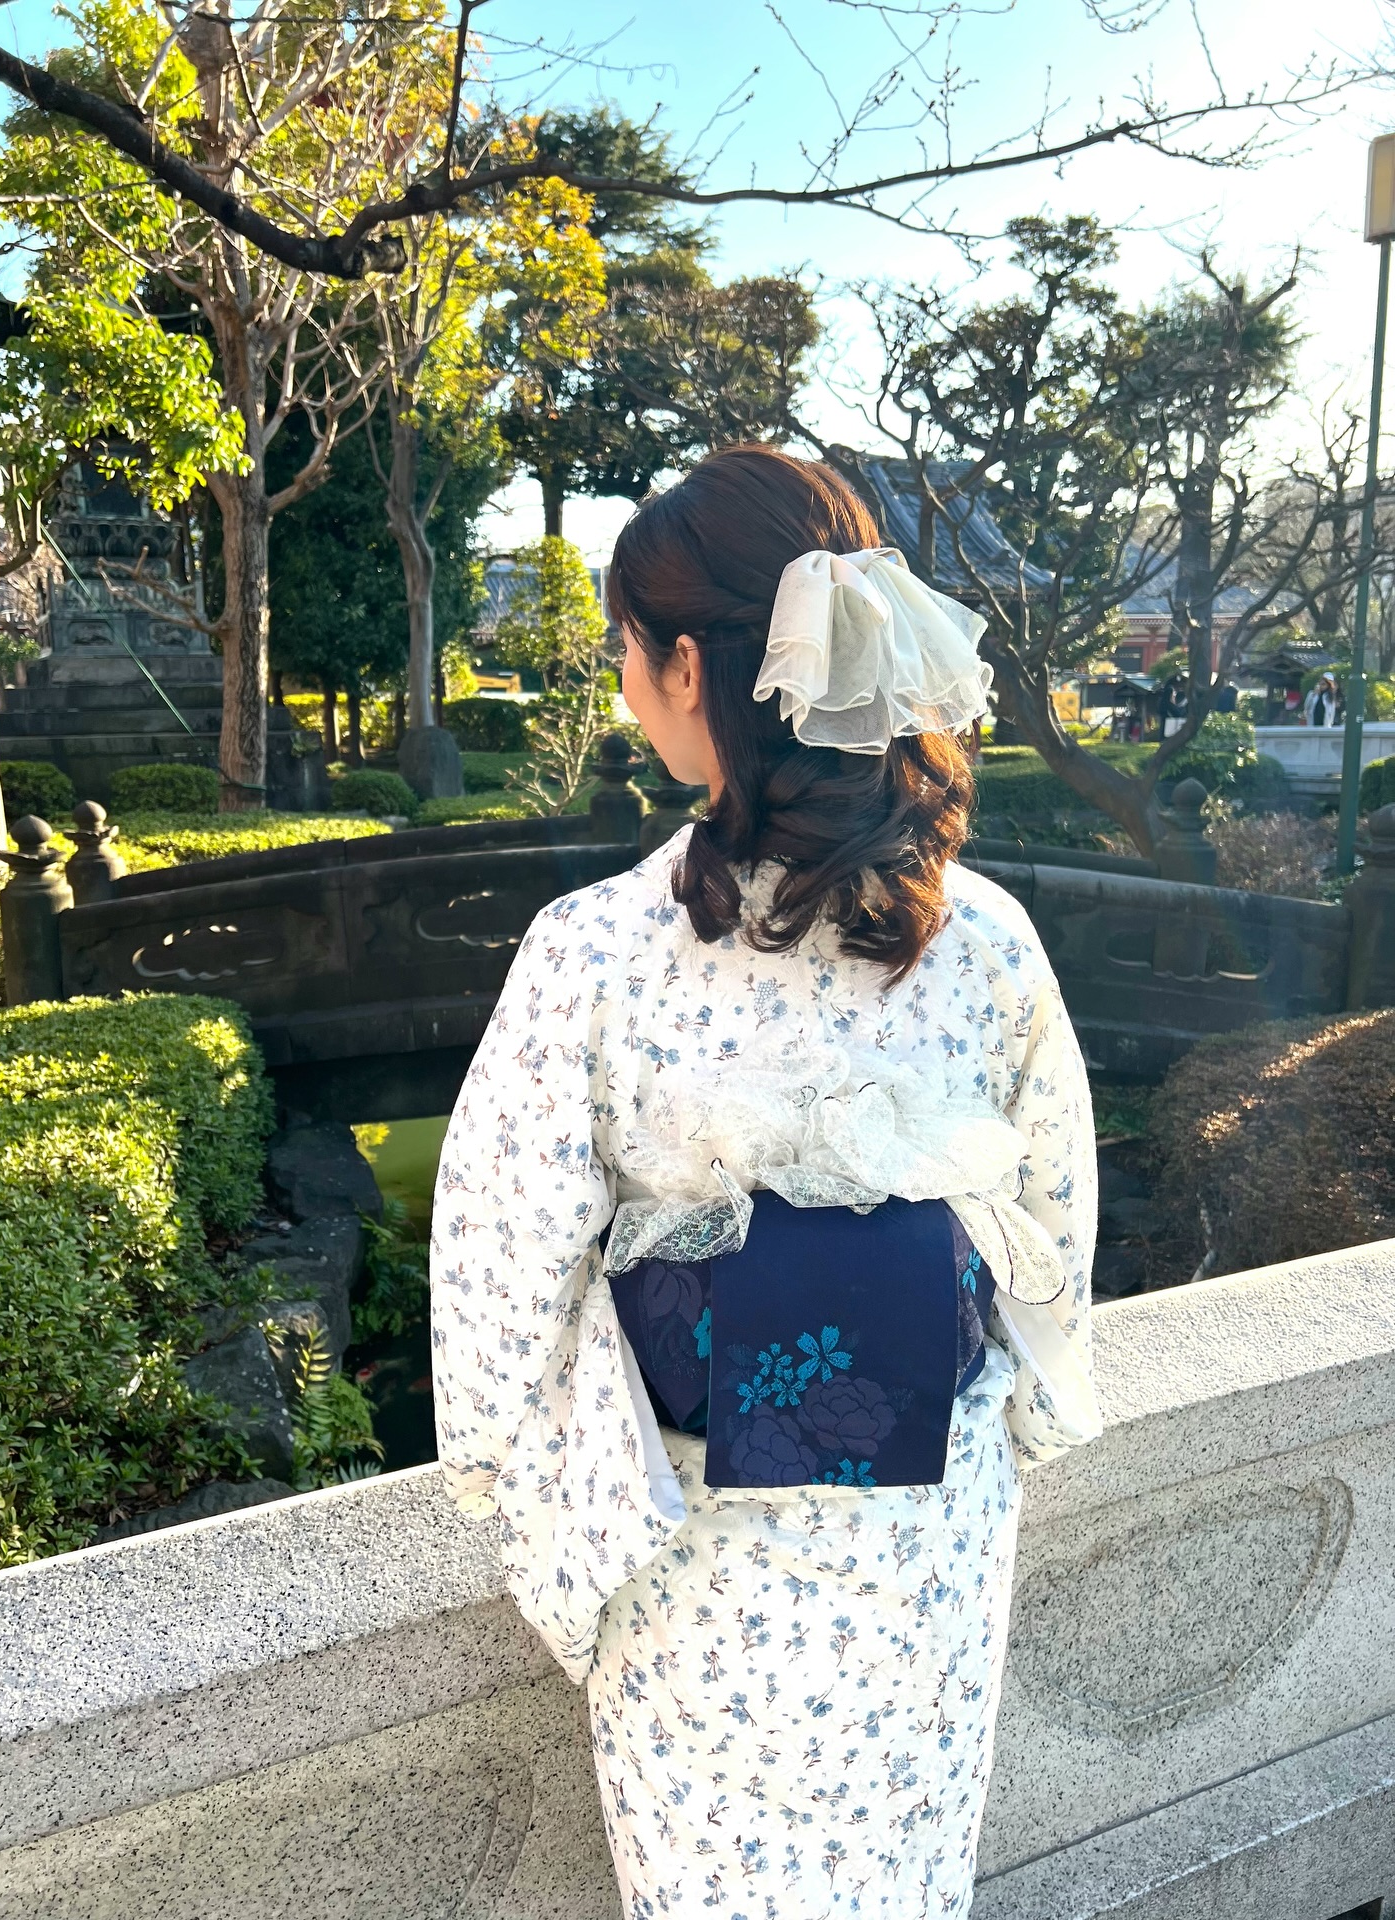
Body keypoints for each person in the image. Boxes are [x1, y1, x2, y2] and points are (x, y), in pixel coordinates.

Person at [429, 447, 1100, 1919]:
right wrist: (1026, 1424)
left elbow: (498, 1274)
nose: (625, 685)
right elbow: (1049, 1222)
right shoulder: (984, 940)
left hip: (697, 1568)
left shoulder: (597, 951)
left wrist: (504, 1482)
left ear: (689, 665)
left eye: (628, 648)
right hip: (925, 1539)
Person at [1158, 670, 1189, 738]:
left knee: (1164, 724)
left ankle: (1163, 737)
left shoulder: (1169, 689)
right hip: (1166, 710)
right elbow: (1170, 702)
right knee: (1166, 725)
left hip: (1165, 709)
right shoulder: (1170, 689)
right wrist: (1175, 710)